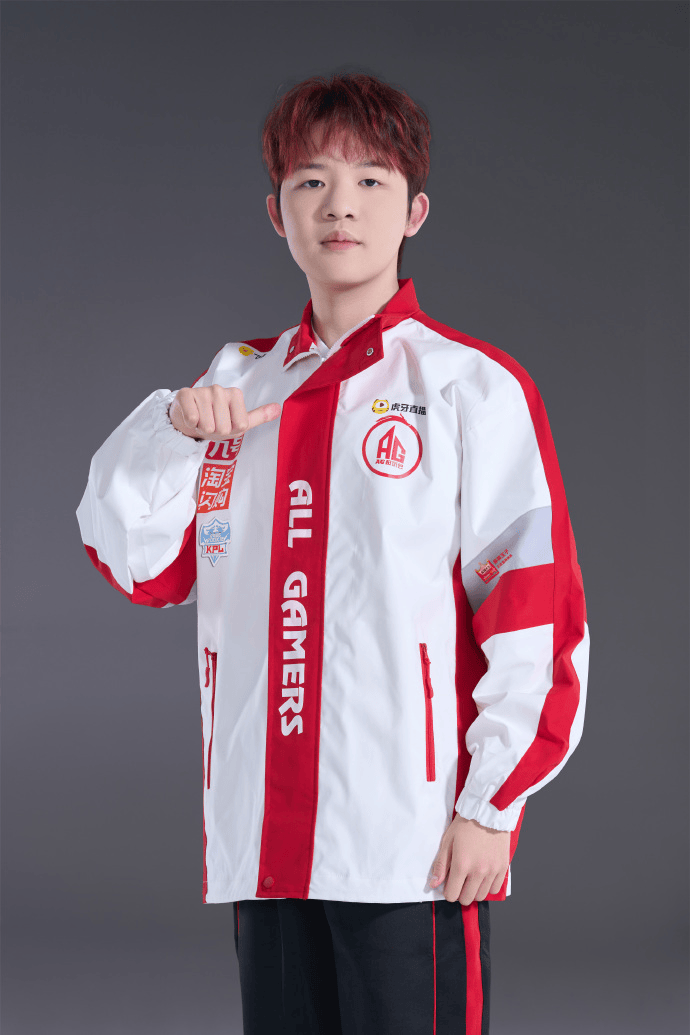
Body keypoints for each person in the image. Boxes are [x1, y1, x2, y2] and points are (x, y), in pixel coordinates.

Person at [77, 72, 589, 1035]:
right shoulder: (235, 388)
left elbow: (536, 614)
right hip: (263, 841)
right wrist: (169, 432)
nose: (340, 205)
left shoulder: (471, 388)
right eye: (311, 181)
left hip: (409, 842)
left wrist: (491, 805)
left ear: (415, 211)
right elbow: (141, 567)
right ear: (278, 214)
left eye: (370, 180)